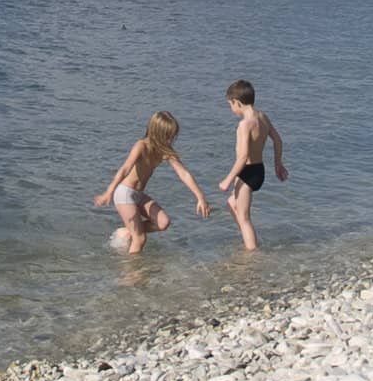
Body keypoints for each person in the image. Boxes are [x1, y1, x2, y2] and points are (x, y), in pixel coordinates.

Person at [93, 110, 210, 255]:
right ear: (158, 133)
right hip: (124, 193)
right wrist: (108, 192)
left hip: (138, 195)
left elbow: (183, 173)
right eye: (168, 136)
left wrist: (200, 197)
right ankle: (132, 273)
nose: (171, 140)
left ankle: (127, 230)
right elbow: (124, 169)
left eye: (172, 136)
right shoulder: (141, 146)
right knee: (140, 239)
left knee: (163, 223)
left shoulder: (165, 151)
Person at [217, 80, 286, 250]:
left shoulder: (244, 125)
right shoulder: (262, 117)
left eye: (230, 105)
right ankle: (250, 238)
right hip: (259, 170)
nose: (231, 109)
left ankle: (252, 254)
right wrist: (278, 164)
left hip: (246, 173)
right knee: (232, 205)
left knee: (245, 218)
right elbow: (278, 140)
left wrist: (227, 180)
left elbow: (242, 157)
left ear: (237, 102)